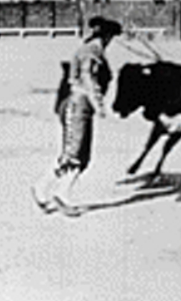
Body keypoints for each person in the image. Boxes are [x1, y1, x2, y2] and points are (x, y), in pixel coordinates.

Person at [32, 16, 123, 217]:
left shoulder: (90, 49)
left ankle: (51, 190)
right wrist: (98, 103)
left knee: (81, 156)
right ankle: (51, 191)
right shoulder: (92, 51)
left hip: (81, 105)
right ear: (107, 36)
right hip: (79, 104)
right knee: (73, 155)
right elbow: (88, 77)